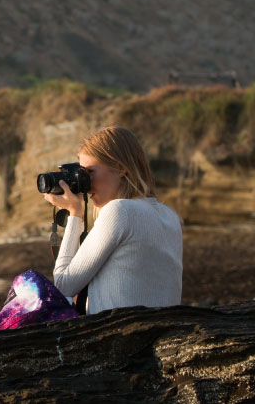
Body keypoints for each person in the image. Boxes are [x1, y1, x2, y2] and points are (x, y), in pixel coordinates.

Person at [42, 126, 182, 314]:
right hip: (160, 332)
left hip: (118, 336)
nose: (86, 183)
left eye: (90, 172)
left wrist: (75, 214)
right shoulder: (170, 215)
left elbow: (64, 285)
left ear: (120, 168)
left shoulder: (119, 211)